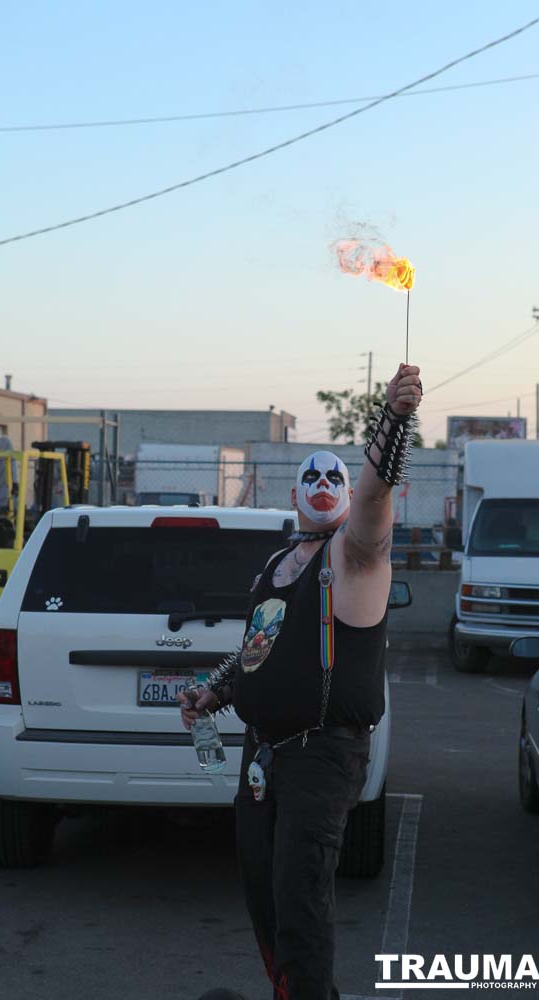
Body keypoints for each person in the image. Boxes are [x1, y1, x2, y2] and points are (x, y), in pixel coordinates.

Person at [179, 362, 423, 1000]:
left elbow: (375, 497)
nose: (323, 483)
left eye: (334, 477)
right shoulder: (279, 561)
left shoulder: (357, 556)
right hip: (262, 754)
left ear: (346, 493)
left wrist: (394, 420)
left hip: (322, 757)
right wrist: (216, 690)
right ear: (293, 496)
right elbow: (258, 648)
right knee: (265, 891)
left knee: (301, 898)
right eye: (310, 476)